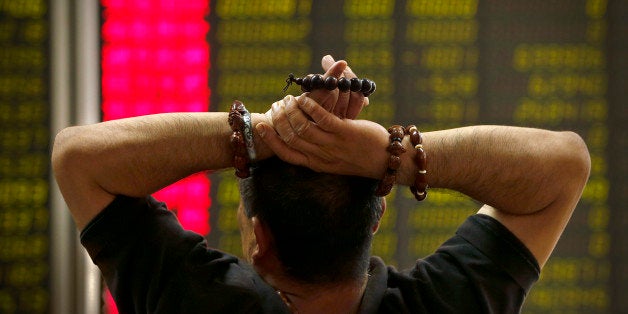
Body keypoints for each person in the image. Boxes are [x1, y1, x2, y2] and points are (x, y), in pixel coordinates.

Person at [52, 56, 591, 313]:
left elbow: (78, 158)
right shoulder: (444, 308)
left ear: (258, 240)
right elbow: (566, 163)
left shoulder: (198, 305)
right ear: (376, 219)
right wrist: (393, 153)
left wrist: (259, 132)